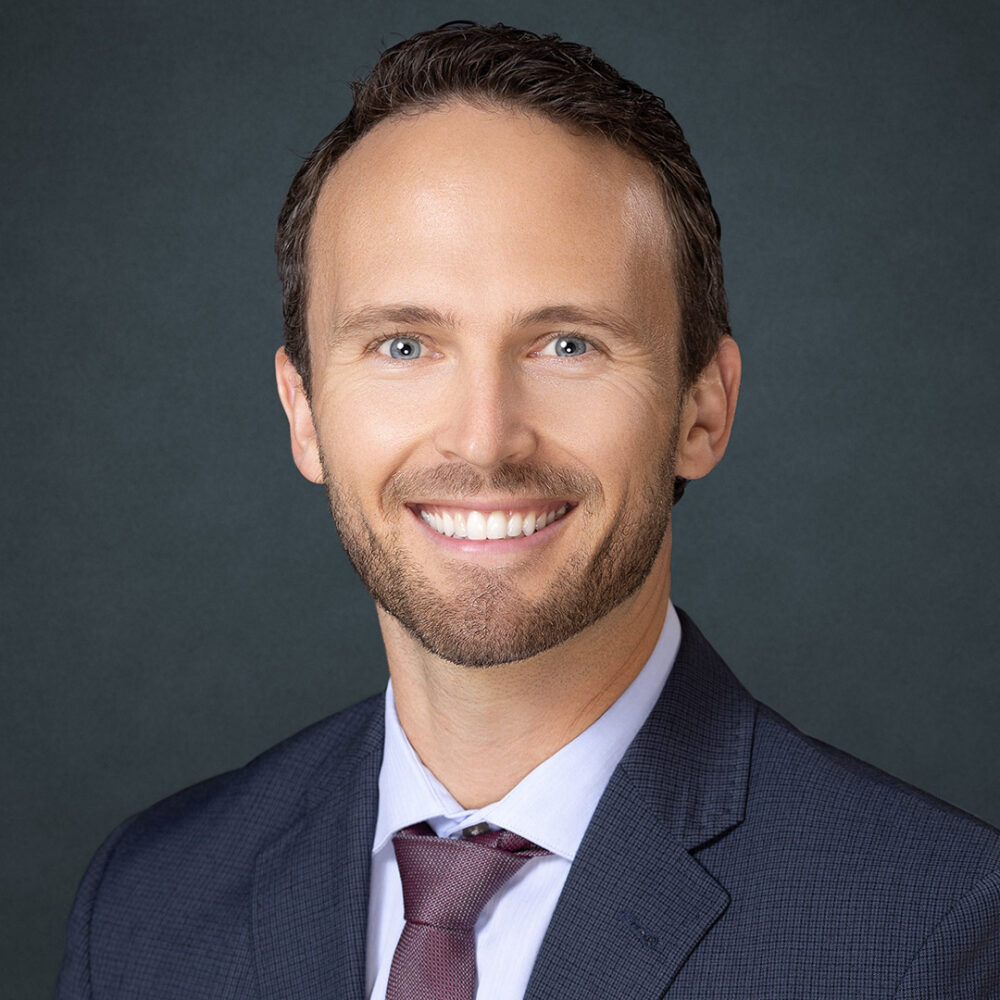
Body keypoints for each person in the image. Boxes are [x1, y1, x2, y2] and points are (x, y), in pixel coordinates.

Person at [56, 22, 1000, 1000]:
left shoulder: (938, 933)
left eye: (567, 345)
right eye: (403, 346)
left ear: (703, 409)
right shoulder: (143, 904)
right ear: (303, 413)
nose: (484, 440)